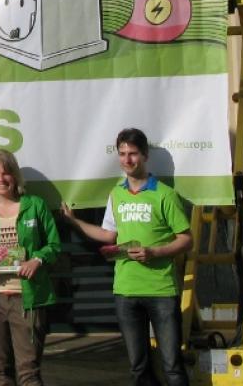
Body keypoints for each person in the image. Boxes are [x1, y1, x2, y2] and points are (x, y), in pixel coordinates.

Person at [61, 127, 193, 386]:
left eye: (133, 154)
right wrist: (74, 223)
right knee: (138, 367)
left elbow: (187, 239)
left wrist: (155, 252)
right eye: (122, 154)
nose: (127, 160)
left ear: (144, 156)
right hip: (126, 290)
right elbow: (109, 235)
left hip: (161, 291)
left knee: (172, 366)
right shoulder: (116, 194)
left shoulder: (165, 194)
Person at [0, 151, 60, 386]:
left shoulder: (35, 206)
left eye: (6, 173)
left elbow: (54, 245)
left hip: (27, 299)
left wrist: (37, 260)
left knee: (29, 373)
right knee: (1, 374)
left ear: (15, 176)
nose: (1, 179)